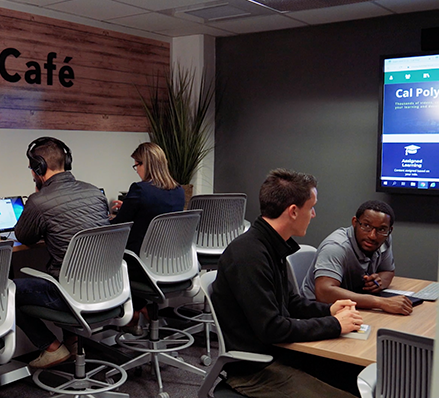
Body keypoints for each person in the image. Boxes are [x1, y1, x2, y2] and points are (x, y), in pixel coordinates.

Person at [211, 168, 363, 398]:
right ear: (293, 211)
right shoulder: (249, 255)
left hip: (280, 353)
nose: (313, 215)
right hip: (254, 369)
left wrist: (329, 310)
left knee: (360, 377)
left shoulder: (270, 244)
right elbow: (272, 328)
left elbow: (290, 302)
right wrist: (334, 324)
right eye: (311, 208)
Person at [13, 137, 110, 368]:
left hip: (70, 294)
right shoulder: (96, 193)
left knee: (6, 290)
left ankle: (52, 347)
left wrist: (38, 195)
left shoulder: (39, 201)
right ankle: (73, 340)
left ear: (39, 168)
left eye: (32, 169)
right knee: (66, 268)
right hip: (106, 288)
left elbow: (24, 236)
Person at [302, 200, 411, 315]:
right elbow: (324, 293)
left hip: (352, 307)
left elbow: (388, 271)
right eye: (366, 226)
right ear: (355, 222)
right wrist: (380, 302)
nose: (372, 236)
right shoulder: (336, 247)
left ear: (389, 231)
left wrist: (378, 282)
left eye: (381, 229)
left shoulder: (384, 239)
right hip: (318, 312)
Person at [110, 142, 185, 254]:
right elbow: (153, 211)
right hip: (169, 258)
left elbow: (119, 225)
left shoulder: (139, 189)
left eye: (136, 166)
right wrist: (127, 207)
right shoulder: (179, 191)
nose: (137, 171)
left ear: (144, 165)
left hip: (139, 258)